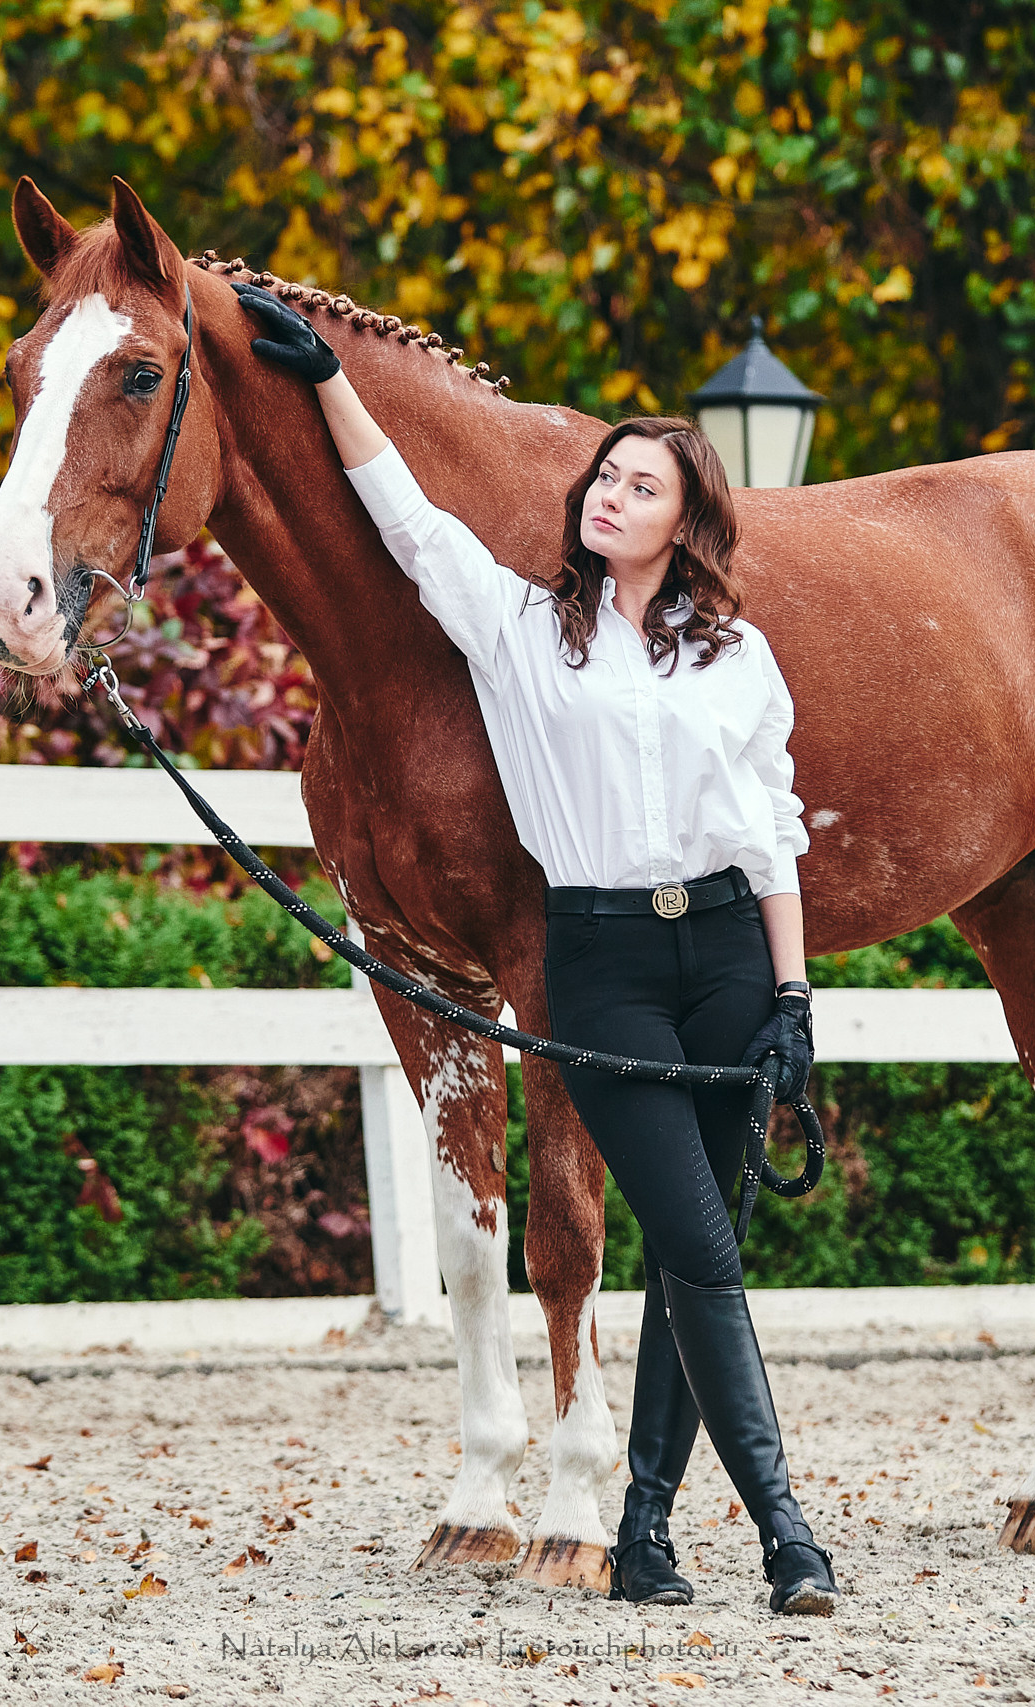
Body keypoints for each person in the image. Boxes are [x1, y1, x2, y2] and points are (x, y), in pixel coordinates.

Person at [237, 284, 839, 1616]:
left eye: (640, 484)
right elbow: (404, 515)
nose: (607, 494)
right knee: (704, 1249)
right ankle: (789, 1534)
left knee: (703, 1253)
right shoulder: (518, 633)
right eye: (603, 477)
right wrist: (329, 378)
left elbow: (772, 834)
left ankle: (644, 1531)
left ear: (686, 524)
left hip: (733, 958)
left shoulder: (734, 655)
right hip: (606, 967)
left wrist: (793, 997)